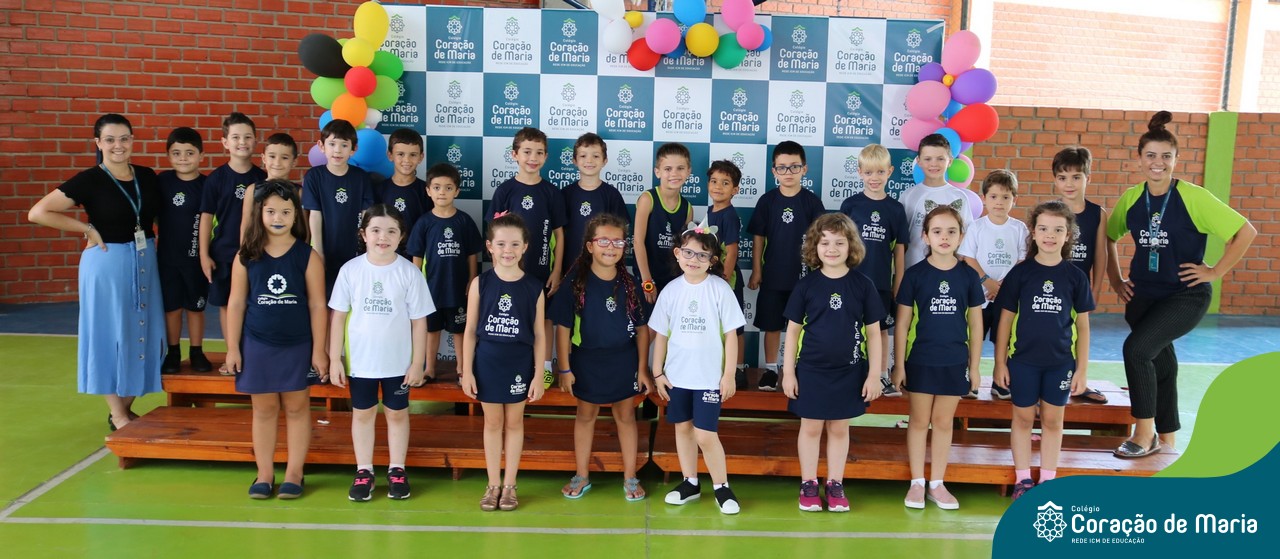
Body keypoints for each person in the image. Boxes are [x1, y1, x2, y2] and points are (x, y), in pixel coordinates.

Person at [1106, 111, 1257, 458]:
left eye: (1166, 156)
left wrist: (1215, 271)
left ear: (1176, 159)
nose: (1157, 163)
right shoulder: (1131, 198)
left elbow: (1244, 232)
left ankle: (1144, 434)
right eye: (1150, 155)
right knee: (1161, 364)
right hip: (1142, 297)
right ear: (1139, 159)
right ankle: (1168, 441)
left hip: (1184, 295)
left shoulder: (1193, 196)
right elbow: (1110, 237)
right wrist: (1115, 280)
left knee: (1137, 351)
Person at [28, 113, 165, 431]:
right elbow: (38, 212)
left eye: (124, 138)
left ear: (132, 140)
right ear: (98, 143)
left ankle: (125, 406)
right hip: (106, 263)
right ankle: (118, 414)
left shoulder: (147, 176)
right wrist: (86, 228)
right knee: (108, 335)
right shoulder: (89, 179)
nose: (118, 145)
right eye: (110, 139)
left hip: (145, 261)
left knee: (145, 334)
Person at [223, 180, 328, 499]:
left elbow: (317, 304)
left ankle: (295, 471)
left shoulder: (308, 256)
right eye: (270, 211)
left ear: (296, 215)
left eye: (285, 211)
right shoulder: (245, 256)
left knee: (297, 407)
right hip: (257, 344)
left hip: (298, 344)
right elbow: (236, 303)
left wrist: (319, 350)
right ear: (259, 213)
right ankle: (264, 473)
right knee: (264, 409)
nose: (278, 218)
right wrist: (232, 348)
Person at [328, 204, 434, 502]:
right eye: (375, 230)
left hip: (398, 364)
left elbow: (419, 321)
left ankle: (397, 470)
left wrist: (418, 362)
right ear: (364, 234)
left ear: (402, 236)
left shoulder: (410, 273)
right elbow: (338, 317)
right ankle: (364, 471)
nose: (382, 237)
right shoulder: (350, 270)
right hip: (361, 363)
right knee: (362, 414)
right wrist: (335, 358)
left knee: (397, 414)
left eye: (391, 231)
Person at [781, 213, 885, 513]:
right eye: (825, 242)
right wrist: (788, 373)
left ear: (851, 246)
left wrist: (874, 375)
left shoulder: (863, 285)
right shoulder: (806, 285)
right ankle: (809, 483)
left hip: (849, 371)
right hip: (811, 371)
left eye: (839, 242)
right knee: (811, 428)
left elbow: (874, 333)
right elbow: (792, 331)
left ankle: (835, 484)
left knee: (839, 429)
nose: (832, 249)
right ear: (815, 246)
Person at [993, 201, 1094, 500]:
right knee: (1023, 420)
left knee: (1052, 421)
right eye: (1044, 229)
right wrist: (1000, 363)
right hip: (1023, 363)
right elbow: (1005, 321)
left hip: (1060, 364)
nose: (1050, 235)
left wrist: (1082, 369)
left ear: (1068, 235)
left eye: (1058, 230)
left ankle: (1048, 479)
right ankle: (1023, 478)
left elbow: (1083, 327)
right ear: (1034, 233)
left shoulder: (1076, 277)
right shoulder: (1020, 274)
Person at [551, 214, 651, 501]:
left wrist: (642, 369)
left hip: (623, 361)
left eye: (618, 242)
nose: (611, 247)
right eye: (604, 241)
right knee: (586, 416)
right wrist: (565, 369)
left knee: (626, 416)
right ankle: (582, 475)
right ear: (590, 246)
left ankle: (630, 477)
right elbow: (563, 329)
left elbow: (642, 330)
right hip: (586, 361)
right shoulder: (575, 283)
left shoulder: (630, 284)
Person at [650, 219, 747, 515]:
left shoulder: (720, 289)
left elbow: (731, 335)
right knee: (683, 429)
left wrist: (729, 374)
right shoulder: (670, 291)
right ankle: (690, 482)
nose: (694, 259)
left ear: (712, 260)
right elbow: (661, 335)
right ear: (678, 254)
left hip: (708, 379)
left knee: (705, 434)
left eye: (702, 255)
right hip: (678, 378)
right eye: (689, 253)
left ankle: (721, 486)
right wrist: (657, 372)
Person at [891, 205, 983, 510]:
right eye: (937, 231)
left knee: (943, 422)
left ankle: (937, 483)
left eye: (951, 231)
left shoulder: (969, 276)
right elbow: (902, 324)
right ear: (925, 236)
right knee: (919, 421)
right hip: (920, 360)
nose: (944, 237)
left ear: (961, 236)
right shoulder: (915, 276)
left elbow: (976, 324)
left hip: (954, 362)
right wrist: (899, 365)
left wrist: (974, 367)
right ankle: (917, 482)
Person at [460, 212, 548, 511]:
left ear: (525, 247)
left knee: (514, 423)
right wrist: (467, 371)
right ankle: (492, 484)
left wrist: (539, 375)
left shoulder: (534, 287)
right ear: (490, 247)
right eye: (501, 244)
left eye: (514, 244)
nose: (507, 250)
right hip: (487, 363)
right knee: (492, 423)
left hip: (519, 364)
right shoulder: (480, 283)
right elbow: (470, 330)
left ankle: (510, 485)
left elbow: (539, 334)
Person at [490, 126, 566, 388]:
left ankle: (544, 367)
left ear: (546, 157)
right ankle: (519, 365)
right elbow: (494, 234)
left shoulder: (552, 192)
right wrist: (498, 271)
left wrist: (556, 271)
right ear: (514, 154)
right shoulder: (505, 191)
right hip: (510, 272)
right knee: (514, 317)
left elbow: (559, 235)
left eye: (539, 152)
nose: (533, 158)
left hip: (542, 270)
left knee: (544, 319)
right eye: (527, 152)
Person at [748, 141, 825, 391]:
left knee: (802, 326)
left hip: (804, 278)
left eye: (794, 167)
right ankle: (771, 369)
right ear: (774, 171)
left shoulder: (812, 202)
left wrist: (819, 273)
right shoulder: (767, 201)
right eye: (782, 167)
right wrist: (757, 270)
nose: (788, 172)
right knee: (771, 325)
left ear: (804, 169)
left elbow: (821, 240)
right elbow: (758, 237)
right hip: (772, 275)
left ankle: (799, 369)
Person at [199, 112, 266, 373]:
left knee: (253, 304)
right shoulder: (215, 179)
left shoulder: (262, 178)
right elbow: (206, 218)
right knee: (228, 304)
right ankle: (232, 355)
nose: (242, 142)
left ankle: (253, 355)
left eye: (247, 137)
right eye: (236, 137)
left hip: (257, 254)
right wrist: (204, 255)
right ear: (225, 142)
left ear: (255, 140)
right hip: (224, 254)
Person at [839, 144, 908, 397]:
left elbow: (899, 250)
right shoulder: (850, 205)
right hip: (853, 281)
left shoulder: (896, 209)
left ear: (890, 171)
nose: (874, 178)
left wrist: (898, 283)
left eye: (880, 172)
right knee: (849, 328)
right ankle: (849, 373)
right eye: (868, 172)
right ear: (859, 172)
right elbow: (840, 243)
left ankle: (881, 375)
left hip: (880, 283)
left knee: (880, 329)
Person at [957, 169, 1028, 400]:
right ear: (984, 198)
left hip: (1007, 297)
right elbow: (968, 258)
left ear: (1014, 200)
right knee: (974, 337)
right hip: (979, 296)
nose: (999, 202)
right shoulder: (977, 227)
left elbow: (1022, 260)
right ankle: (971, 380)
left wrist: (1004, 287)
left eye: (1006, 197)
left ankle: (1000, 380)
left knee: (1003, 339)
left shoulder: (1019, 228)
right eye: (994, 196)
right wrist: (987, 282)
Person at [408, 163, 482, 381]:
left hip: (457, 289)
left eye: (448, 188)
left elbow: (472, 254)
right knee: (431, 330)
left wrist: (471, 280)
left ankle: (462, 368)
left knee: (459, 330)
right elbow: (416, 257)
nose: (442, 192)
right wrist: (416, 287)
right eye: (437, 187)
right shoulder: (423, 222)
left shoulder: (464, 221)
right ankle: (429, 368)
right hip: (430, 290)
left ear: (456, 191)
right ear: (428, 191)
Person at [1052, 146, 1111, 404]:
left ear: (1088, 177)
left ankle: (1079, 381)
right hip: (1052, 286)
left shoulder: (1098, 214)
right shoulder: (1051, 211)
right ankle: (1049, 380)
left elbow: (1100, 254)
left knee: (1080, 334)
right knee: (1055, 334)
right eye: (1063, 177)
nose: (1069, 184)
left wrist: (1094, 290)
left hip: (1080, 288)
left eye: (1076, 177)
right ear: (1055, 180)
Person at [157, 126, 212, 374]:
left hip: (196, 259)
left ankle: (197, 351)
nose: (183, 158)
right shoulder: (162, 182)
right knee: (172, 308)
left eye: (189, 153)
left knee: (196, 307)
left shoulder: (207, 185)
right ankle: (173, 352)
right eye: (176, 153)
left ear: (201, 155)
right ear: (168, 155)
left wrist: (205, 253)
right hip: (167, 258)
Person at [304, 119, 374, 296]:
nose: (337, 150)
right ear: (321, 146)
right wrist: (318, 251)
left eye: (344, 145)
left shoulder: (361, 177)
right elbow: (315, 214)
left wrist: (368, 249)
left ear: (353, 149)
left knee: (354, 296)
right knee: (325, 296)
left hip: (354, 249)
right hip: (326, 248)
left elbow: (367, 215)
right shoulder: (314, 176)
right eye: (332, 144)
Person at [899, 133, 976, 269]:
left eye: (940, 158)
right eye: (928, 159)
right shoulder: (908, 196)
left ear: (950, 161)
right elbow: (900, 239)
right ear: (919, 161)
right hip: (912, 269)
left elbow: (967, 239)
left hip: (948, 271)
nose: (934, 164)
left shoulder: (959, 197)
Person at [634, 142, 695, 305]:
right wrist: (647, 281)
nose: (674, 173)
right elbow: (638, 242)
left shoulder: (688, 208)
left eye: (680, 168)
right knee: (647, 321)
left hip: (674, 282)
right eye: (668, 169)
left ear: (688, 171)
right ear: (657, 172)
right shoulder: (648, 199)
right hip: (647, 279)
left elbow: (685, 249)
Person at [705, 160, 747, 388]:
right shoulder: (710, 211)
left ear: (735, 190)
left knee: (734, 326)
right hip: (712, 279)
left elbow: (732, 252)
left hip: (728, 282)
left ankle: (739, 369)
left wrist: (723, 281)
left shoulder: (729, 215)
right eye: (714, 181)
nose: (718, 187)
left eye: (725, 183)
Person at [560, 133, 629, 260]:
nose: (589, 161)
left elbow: (620, 233)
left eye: (596, 156)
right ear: (574, 161)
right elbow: (558, 234)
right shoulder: (565, 194)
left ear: (604, 161)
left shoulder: (612, 195)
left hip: (602, 264)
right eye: (583, 156)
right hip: (569, 264)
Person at [374, 129, 432, 259]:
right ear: (390, 155)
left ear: (421, 157)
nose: (407, 160)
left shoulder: (428, 191)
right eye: (400, 154)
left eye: (413, 155)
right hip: (385, 258)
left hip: (417, 260)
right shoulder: (379, 190)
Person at [240, 133, 301, 240]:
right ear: (264, 158)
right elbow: (246, 226)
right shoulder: (252, 190)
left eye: (284, 158)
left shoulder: (299, 192)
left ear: (294, 162)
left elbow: (303, 228)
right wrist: (243, 249)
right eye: (272, 156)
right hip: (258, 248)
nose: (277, 163)